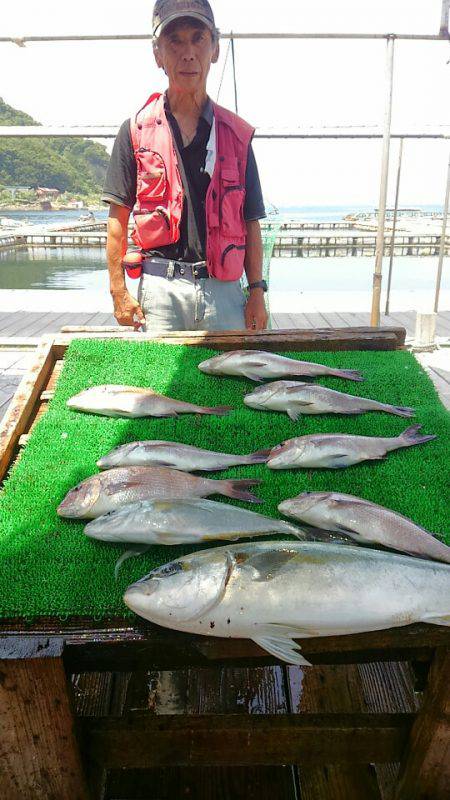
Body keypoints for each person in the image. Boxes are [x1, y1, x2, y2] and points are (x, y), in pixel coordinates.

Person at [102, 0, 268, 333]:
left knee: (231, 383)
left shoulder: (237, 135)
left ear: (215, 49)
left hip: (224, 290)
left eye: (198, 38)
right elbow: (117, 219)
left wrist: (257, 291)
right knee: (156, 384)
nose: (188, 52)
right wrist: (118, 290)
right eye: (175, 41)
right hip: (159, 290)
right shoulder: (134, 131)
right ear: (158, 55)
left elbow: (251, 221)